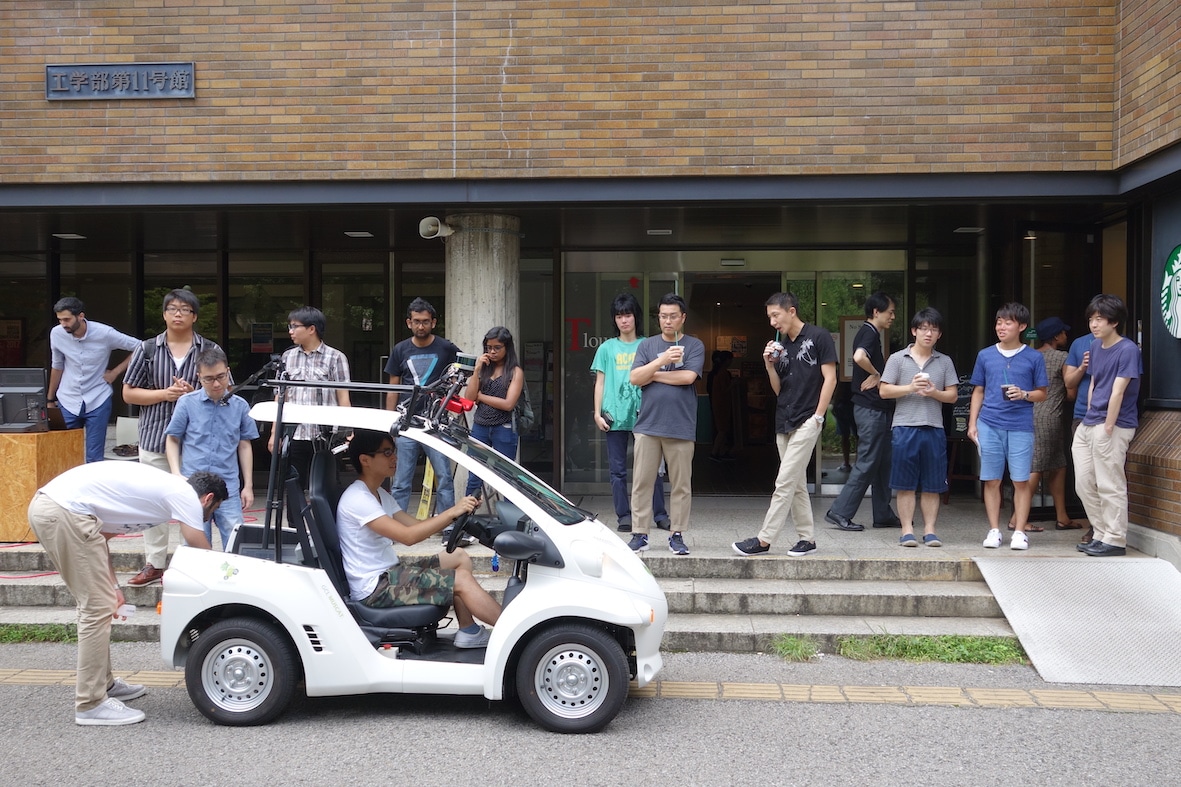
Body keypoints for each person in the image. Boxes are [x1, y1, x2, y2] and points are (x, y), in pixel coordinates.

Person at [27, 462, 226, 726]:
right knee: (95, 609)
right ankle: (90, 704)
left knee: (98, 604)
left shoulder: (160, 502)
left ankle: (103, 685)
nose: (208, 518)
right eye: (213, 512)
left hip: (60, 511)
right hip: (63, 511)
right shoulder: (185, 495)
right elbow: (202, 551)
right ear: (208, 498)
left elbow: (100, 539)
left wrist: (114, 588)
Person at [336, 429, 500, 646]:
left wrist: (457, 514)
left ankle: (468, 631)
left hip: (391, 574)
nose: (395, 458)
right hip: (375, 589)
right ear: (365, 460)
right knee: (461, 579)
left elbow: (418, 527)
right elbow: (408, 537)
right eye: (386, 453)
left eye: (393, 451)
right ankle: (519, 635)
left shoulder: (380, 494)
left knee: (459, 556)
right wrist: (451, 512)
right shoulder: (358, 499)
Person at [121, 289, 224, 587]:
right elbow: (129, 392)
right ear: (164, 314)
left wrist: (196, 395)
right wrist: (165, 394)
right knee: (151, 502)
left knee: (193, 502)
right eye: (172, 309)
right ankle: (154, 563)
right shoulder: (147, 349)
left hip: (196, 442)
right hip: (154, 436)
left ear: (194, 316)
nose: (177, 314)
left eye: (185, 309)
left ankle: (190, 562)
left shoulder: (209, 349)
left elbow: (222, 391)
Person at [733, 291, 836, 557]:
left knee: (784, 481)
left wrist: (818, 417)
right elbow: (779, 390)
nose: (772, 322)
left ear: (791, 311)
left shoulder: (818, 337)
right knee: (797, 482)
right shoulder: (782, 346)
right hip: (784, 420)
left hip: (807, 419)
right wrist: (769, 366)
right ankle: (807, 539)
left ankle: (764, 539)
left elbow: (830, 378)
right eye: (769, 317)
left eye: (775, 315)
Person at [627, 293, 704, 556]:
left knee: (681, 484)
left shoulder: (694, 345)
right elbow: (636, 378)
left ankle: (677, 534)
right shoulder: (647, 345)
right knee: (641, 481)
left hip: (681, 425)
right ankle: (640, 533)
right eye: (663, 316)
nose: (667, 321)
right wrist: (661, 361)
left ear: (682, 318)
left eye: (673, 316)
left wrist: (653, 375)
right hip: (647, 425)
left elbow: (688, 377)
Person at [967, 302, 1049, 551]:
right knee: (991, 479)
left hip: (1020, 425)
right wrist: (972, 423)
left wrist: (1024, 394)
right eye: (999, 322)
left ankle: (1020, 532)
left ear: (1022, 326)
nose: (1001, 327)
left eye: (1008, 322)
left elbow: (1042, 393)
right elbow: (978, 390)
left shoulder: (1034, 357)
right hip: (989, 423)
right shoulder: (985, 355)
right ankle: (994, 530)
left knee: (1020, 480)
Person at [878, 308, 959, 547]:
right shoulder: (897, 359)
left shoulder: (944, 361)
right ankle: (907, 530)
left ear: (939, 334)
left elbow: (953, 396)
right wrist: (910, 388)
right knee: (904, 483)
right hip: (904, 427)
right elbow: (884, 391)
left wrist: (934, 392)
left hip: (934, 427)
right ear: (914, 331)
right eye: (923, 328)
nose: (928, 333)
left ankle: (930, 530)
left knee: (933, 484)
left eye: (933, 329)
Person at [165, 347, 259, 549]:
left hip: (229, 487)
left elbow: (244, 445)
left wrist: (248, 485)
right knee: (195, 546)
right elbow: (173, 439)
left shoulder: (240, 406)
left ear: (228, 371)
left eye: (221, 376)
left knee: (236, 543)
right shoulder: (186, 403)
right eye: (209, 379)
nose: (216, 384)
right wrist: (175, 472)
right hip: (194, 488)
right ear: (199, 377)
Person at [591, 292, 670, 532]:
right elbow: (600, 382)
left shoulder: (648, 345)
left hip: (645, 414)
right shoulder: (606, 348)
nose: (624, 320)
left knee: (652, 469)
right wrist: (597, 413)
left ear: (636, 317)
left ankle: (659, 515)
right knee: (617, 470)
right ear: (614, 320)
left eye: (628, 315)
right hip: (614, 416)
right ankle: (623, 516)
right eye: (619, 316)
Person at [1072, 294, 1141, 557]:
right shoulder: (1095, 348)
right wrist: (1089, 415)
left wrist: (1108, 424)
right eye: (1091, 319)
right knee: (1084, 483)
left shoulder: (1128, 349)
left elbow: (1118, 390)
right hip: (1089, 423)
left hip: (1113, 424)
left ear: (1114, 321)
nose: (1093, 324)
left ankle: (1115, 539)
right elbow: (1093, 383)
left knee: (1109, 483)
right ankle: (1100, 534)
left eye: (1099, 319)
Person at [825, 291, 899, 531]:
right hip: (871, 410)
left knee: (883, 462)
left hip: (877, 409)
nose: (893, 317)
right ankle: (840, 512)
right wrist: (877, 374)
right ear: (876, 312)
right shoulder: (868, 332)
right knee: (868, 462)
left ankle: (883, 513)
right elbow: (858, 357)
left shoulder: (871, 334)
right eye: (890, 312)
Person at [385, 297, 460, 516]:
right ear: (409, 323)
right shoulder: (400, 349)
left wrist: (452, 392)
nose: (421, 326)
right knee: (401, 480)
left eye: (425, 321)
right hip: (406, 423)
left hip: (437, 423)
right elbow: (393, 387)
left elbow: (461, 371)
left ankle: (448, 526)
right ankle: (396, 526)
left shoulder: (446, 347)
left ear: (433, 323)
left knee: (444, 477)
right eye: (416, 321)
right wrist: (389, 422)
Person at [47, 297, 141, 463]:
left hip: (98, 397)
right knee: (66, 453)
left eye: (67, 319)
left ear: (81, 316)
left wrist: (115, 372)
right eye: (60, 320)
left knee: (94, 456)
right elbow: (57, 365)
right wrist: (50, 399)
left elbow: (140, 347)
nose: (63, 324)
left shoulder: (104, 333)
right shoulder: (57, 334)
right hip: (67, 398)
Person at [272, 306, 351, 490]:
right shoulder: (287, 357)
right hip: (295, 432)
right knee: (293, 485)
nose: (290, 331)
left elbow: (343, 396)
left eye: (294, 326)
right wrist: (275, 433)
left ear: (311, 329)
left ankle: (325, 520)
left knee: (327, 485)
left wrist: (346, 430)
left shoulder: (336, 357)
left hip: (325, 434)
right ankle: (293, 520)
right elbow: (280, 396)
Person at [1013, 316, 1079, 532]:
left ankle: (1062, 517)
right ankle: (1016, 519)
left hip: (1030, 412)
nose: (1066, 335)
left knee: (1059, 466)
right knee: (1036, 469)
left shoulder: (1030, 356)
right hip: (1050, 417)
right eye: (1063, 332)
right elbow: (1070, 393)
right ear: (1056, 336)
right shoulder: (1062, 357)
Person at [463, 326, 524, 495]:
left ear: (507, 348)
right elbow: (469, 397)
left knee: (506, 476)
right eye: (488, 348)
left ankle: (510, 519)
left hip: (503, 427)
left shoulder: (515, 371)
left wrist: (481, 397)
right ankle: (466, 516)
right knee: (474, 474)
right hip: (480, 426)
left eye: (497, 348)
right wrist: (476, 371)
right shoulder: (484, 368)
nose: (492, 352)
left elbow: (508, 404)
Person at [707, 350, 735, 462]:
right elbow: (724, 390)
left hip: (718, 405)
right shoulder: (723, 373)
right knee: (722, 430)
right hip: (722, 405)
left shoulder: (715, 373)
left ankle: (721, 452)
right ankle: (715, 452)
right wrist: (733, 384)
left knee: (722, 429)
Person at [830, 380, 856, 473]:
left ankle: (846, 463)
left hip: (842, 404)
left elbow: (838, 388)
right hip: (854, 403)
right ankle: (857, 463)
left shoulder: (842, 373)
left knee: (845, 436)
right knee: (858, 437)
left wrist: (835, 403)